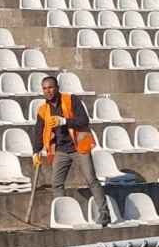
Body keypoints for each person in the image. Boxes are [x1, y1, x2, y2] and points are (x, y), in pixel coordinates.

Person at [32, 76, 111, 227]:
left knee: (91, 180)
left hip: (79, 147)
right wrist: (36, 151)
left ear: (57, 87)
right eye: (44, 88)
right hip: (61, 149)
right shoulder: (43, 110)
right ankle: (63, 214)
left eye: (50, 87)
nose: (47, 91)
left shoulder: (71, 100)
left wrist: (64, 121)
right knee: (56, 183)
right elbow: (38, 131)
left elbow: (84, 120)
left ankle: (104, 213)